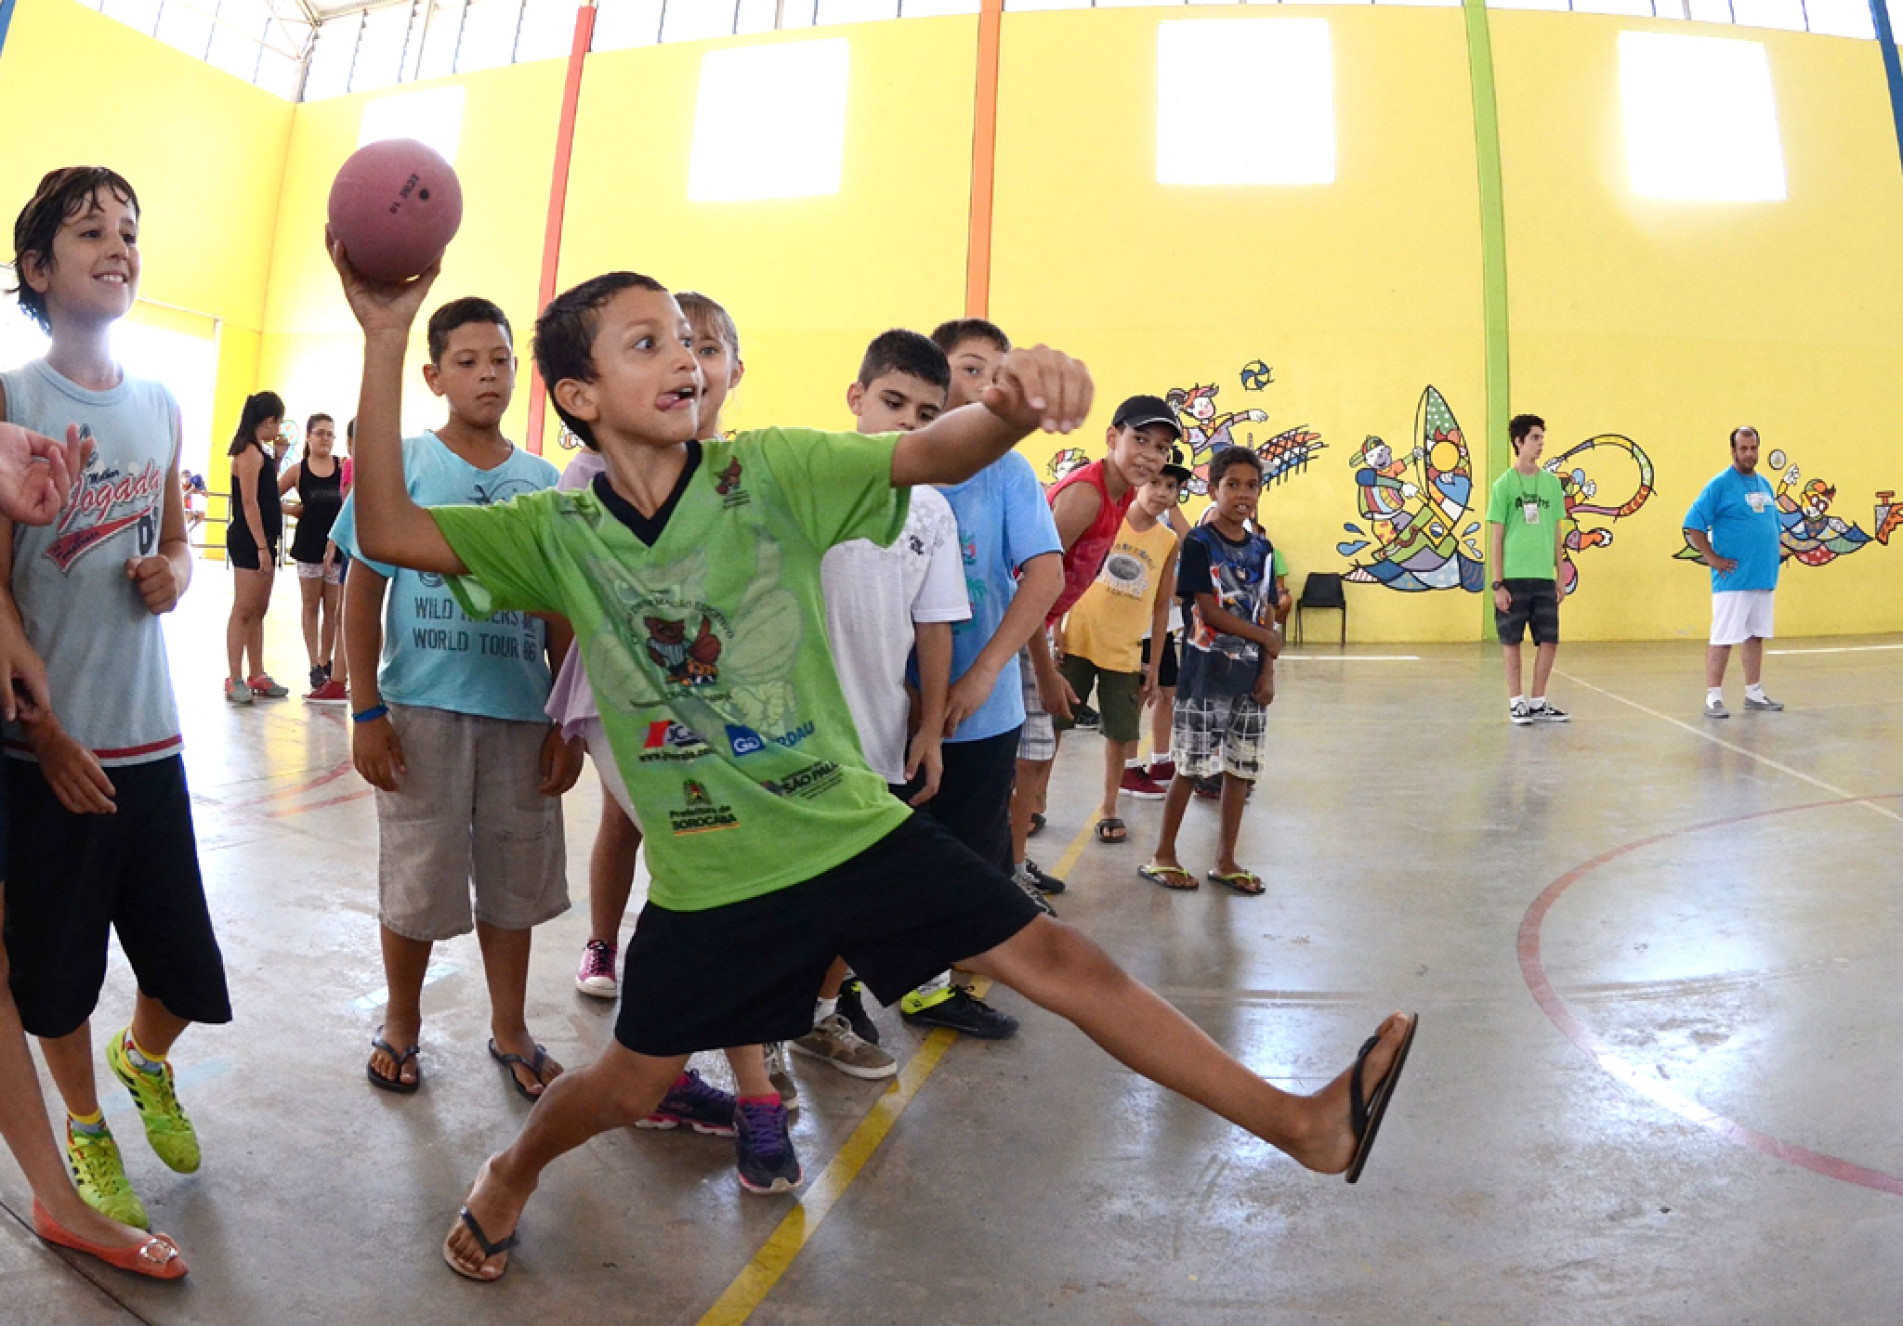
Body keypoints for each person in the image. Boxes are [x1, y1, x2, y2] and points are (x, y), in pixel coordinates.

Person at [323, 249, 1417, 1284]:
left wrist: (1008, 409)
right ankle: (511, 1170)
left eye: (686, 341)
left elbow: (927, 455)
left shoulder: (771, 470)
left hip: (845, 827)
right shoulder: (556, 529)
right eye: (645, 343)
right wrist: (383, 336)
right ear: (578, 396)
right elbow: (388, 526)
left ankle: (1300, 1124)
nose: (684, 359)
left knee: (1058, 959)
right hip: (713, 880)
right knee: (625, 1084)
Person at [1, 165, 230, 1244]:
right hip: (49, 750)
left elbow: (177, 542)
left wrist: (172, 575)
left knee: (184, 968)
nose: (118, 247)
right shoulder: (13, 403)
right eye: (90, 231)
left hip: (154, 739)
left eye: (129, 231)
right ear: (38, 268)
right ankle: (85, 1125)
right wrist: (42, 734)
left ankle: (143, 1059)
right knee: (55, 977)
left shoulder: (160, 405)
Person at [548, 290, 799, 1185]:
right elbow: (574, 603)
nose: (689, 362)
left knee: (710, 879)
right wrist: (555, 719)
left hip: (722, 707)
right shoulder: (590, 477)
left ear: (733, 367)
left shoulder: (745, 476)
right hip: (628, 708)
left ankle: (664, 1070)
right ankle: (750, 1091)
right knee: (708, 870)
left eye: (704, 346)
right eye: (660, 344)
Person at [330, 295, 582, 1101]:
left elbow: (563, 614)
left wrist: (565, 722)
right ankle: (401, 1022)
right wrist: (365, 710)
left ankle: (510, 1028)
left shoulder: (543, 482)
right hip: (420, 716)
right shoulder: (403, 465)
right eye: (467, 362)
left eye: (500, 360)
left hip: (520, 718)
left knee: (513, 880)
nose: (487, 375)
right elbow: (361, 594)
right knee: (417, 877)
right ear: (435, 376)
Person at [799, 329, 976, 1061]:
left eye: (926, 414)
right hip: (790, 737)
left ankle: (816, 1015)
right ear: (857, 398)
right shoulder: (808, 479)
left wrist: (928, 730)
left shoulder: (932, 511)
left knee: (854, 890)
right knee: (778, 895)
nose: (907, 422)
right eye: (893, 402)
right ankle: (759, 1033)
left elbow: (934, 626)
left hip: (876, 735)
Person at [897, 318, 1063, 1038]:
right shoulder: (890, 463)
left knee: (969, 856)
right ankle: (842, 995)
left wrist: (986, 672)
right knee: (879, 859)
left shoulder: (1009, 473)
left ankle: (936, 986)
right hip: (887, 713)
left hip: (982, 714)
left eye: (1000, 373)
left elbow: (1044, 574)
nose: (987, 385)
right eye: (970, 368)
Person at [1010, 395, 1179, 897]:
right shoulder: (1086, 495)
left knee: (1032, 757)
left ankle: (1011, 862)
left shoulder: (1121, 496)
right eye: (1140, 440)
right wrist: (1045, 668)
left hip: (1033, 625)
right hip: (1014, 626)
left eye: (1161, 448)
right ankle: (1004, 872)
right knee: (1022, 756)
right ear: (1111, 438)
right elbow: (1028, 583)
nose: (1150, 455)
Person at [1142, 447, 1279, 895]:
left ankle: (1226, 860)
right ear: (1212, 489)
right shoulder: (1200, 543)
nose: (1243, 494)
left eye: (1252, 486)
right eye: (1232, 484)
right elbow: (1208, 611)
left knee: (1240, 769)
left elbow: (1267, 612)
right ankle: (1163, 855)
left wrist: (1267, 673)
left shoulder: (1263, 549)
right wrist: (1265, 640)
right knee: (1190, 767)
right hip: (1204, 678)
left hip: (1248, 681)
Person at [1055, 458, 1189, 843]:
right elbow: (1064, 570)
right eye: (1156, 483)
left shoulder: (1167, 542)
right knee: (1056, 723)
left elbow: (1162, 606)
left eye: (1171, 487)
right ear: (1138, 484)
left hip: (1124, 651)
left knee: (1119, 733)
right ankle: (1035, 799)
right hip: (1079, 639)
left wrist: (1154, 664)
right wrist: (1056, 627)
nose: (1162, 493)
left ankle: (1110, 806)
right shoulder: (1108, 519)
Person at [1683, 427, 1785, 719]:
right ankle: (1713, 697)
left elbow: (1771, 525)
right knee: (1723, 637)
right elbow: (1693, 524)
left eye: (1753, 448)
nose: (1749, 454)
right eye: (1743, 448)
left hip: (1763, 577)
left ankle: (1754, 692)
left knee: (1755, 635)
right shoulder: (1720, 485)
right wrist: (1712, 558)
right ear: (1733, 451)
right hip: (1733, 579)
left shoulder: (1765, 485)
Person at [1486, 414, 1569, 725]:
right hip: (1513, 577)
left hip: (1543, 577)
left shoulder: (1551, 484)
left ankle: (1538, 701)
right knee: (1512, 640)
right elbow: (1496, 537)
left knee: (1549, 639)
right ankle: (1516, 701)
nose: (1540, 443)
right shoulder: (1503, 486)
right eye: (1535, 437)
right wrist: (1498, 584)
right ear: (1519, 442)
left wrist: (1560, 575)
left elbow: (1556, 532)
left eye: (1542, 437)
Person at [223, 390, 289, 704]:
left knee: (259, 610)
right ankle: (234, 677)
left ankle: (257, 674)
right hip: (249, 541)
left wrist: (278, 458)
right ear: (269, 421)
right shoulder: (248, 452)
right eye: (278, 423)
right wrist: (261, 547)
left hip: (264, 540)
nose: (279, 429)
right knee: (244, 609)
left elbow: (266, 491)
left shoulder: (260, 452)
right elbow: (249, 503)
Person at [279, 412, 349, 702]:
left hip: (337, 546)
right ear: (308, 436)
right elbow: (269, 494)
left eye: (330, 434)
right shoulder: (298, 470)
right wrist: (292, 510)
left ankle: (325, 660)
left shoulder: (342, 466)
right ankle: (313, 665)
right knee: (310, 605)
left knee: (333, 608)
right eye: (320, 433)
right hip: (309, 546)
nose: (325, 439)